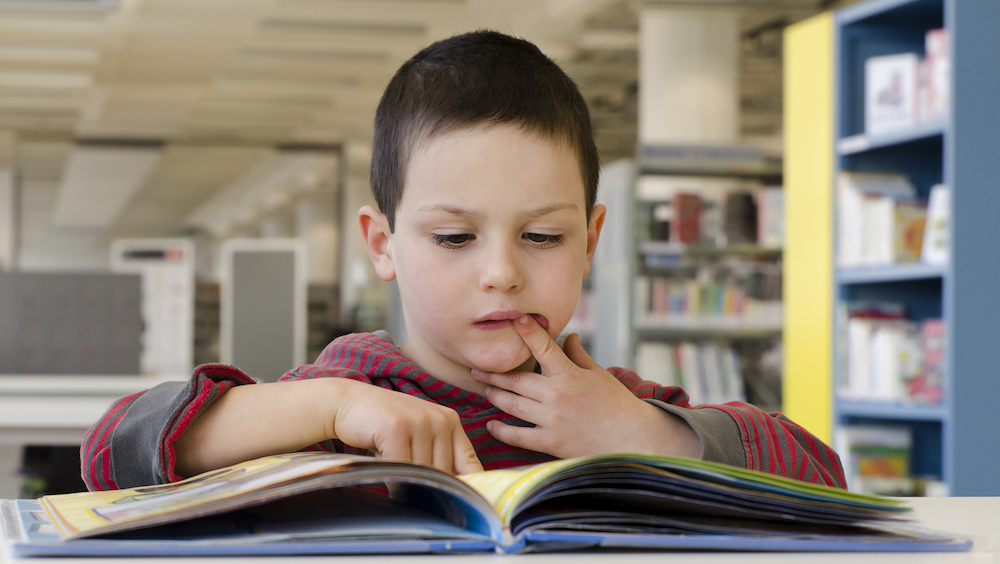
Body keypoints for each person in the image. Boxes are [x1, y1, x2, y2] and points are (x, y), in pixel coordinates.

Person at [81, 30, 845, 492]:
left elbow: (823, 478)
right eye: (454, 239)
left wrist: (650, 435)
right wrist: (334, 409)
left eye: (542, 237)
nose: (501, 274)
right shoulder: (344, 397)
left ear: (592, 239)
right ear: (382, 244)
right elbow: (111, 452)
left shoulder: (612, 404)